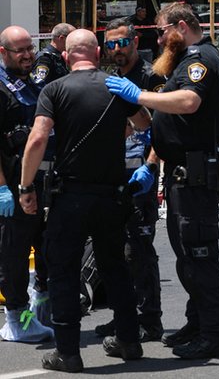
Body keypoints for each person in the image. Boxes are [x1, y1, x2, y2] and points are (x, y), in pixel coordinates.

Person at [105, 2, 219, 360]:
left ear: (180, 26)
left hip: (195, 174)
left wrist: (139, 96)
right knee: (187, 255)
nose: (159, 38)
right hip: (183, 172)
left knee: (199, 254)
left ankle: (216, 332)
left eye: (162, 31)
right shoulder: (186, 59)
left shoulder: (200, 60)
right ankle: (199, 322)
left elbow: (189, 101)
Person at [20, 29, 150, 372]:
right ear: (97, 53)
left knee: (63, 270)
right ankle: (129, 339)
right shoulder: (115, 85)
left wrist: (25, 185)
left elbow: (37, 138)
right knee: (116, 268)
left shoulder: (55, 89)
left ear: (66, 56)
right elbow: (142, 122)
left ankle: (68, 352)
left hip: (72, 196)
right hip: (112, 194)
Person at [92, 18, 166, 343]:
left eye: (122, 42)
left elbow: (163, 129)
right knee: (117, 250)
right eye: (111, 44)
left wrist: (151, 167)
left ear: (135, 42)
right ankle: (126, 316)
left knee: (139, 250)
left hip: (141, 176)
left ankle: (149, 320)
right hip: (115, 175)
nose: (117, 49)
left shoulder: (151, 77)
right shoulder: (112, 78)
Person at [0, 26, 54, 344]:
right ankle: (18, 320)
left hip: (37, 183)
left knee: (46, 247)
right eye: (20, 50)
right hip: (12, 186)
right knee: (13, 255)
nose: (28, 55)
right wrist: (3, 187)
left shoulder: (30, 81)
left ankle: (40, 308)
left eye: (30, 49)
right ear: (3, 52)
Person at [31, 23, 74, 87]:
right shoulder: (45, 59)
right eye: (72, 38)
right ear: (61, 38)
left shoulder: (59, 56)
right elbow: (39, 85)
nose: (74, 41)